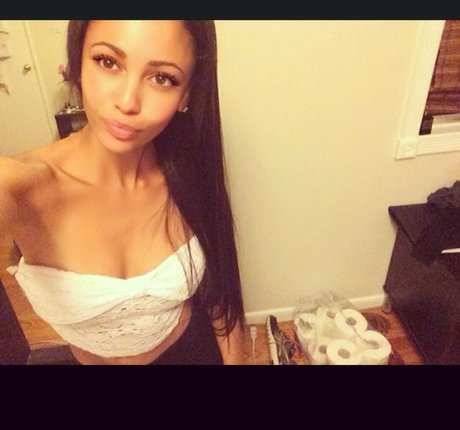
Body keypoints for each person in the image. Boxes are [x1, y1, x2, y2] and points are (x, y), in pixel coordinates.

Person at [0, 20, 246, 365]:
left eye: (162, 78)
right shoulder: (20, 186)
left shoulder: (188, 170)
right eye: (108, 61)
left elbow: (222, 297)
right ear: (77, 60)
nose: (128, 101)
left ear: (186, 95)